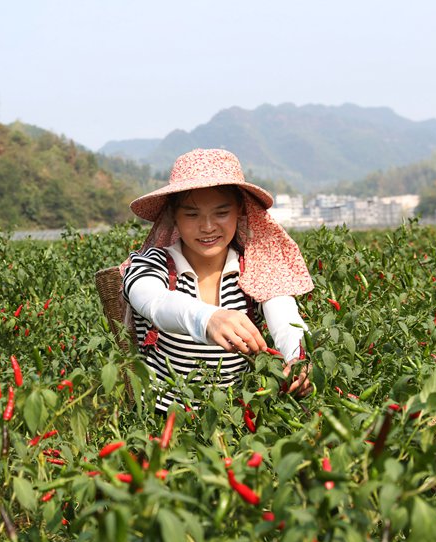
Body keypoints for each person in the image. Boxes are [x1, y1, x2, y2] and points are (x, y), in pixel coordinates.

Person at [121, 149, 314, 413]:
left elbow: (285, 317)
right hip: (163, 422)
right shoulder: (153, 264)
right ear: (173, 216)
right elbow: (153, 301)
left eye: (221, 213)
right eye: (192, 214)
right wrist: (206, 319)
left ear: (240, 212)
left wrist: (298, 358)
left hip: (235, 419)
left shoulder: (255, 268)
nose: (208, 226)